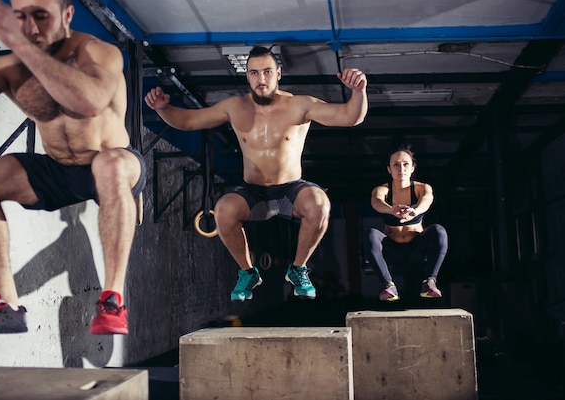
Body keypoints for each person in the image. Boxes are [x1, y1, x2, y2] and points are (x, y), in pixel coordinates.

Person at [0, 0, 146, 335]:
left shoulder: (98, 53)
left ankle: (113, 301)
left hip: (114, 164)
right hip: (58, 171)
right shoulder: (12, 67)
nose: (30, 28)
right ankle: (5, 305)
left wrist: (19, 44)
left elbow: (91, 101)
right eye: (19, 18)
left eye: (40, 16)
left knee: (108, 166)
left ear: (67, 16)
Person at [145, 46, 368, 301]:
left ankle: (298, 269)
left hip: (290, 189)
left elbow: (351, 117)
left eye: (267, 72)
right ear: (247, 76)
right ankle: (248, 272)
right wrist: (163, 108)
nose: (261, 79)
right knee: (223, 210)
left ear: (278, 74)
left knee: (319, 204)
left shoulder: (300, 105)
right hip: (253, 191)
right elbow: (189, 121)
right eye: (254, 73)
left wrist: (359, 91)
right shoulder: (234, 107)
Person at [367, 147, 448, 301]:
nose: (401, 169)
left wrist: (415, 211)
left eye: (405, 164)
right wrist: (391, 210)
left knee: (439, 230)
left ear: (412, 168)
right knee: (371, 234)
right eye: (396, 165)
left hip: (417, 249)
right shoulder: (382, 190)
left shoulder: (421, 188)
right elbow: (376, 202)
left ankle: (430, 282)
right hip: (392, 250)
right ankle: (388, 285)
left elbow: (427, 200)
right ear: (389, 169)